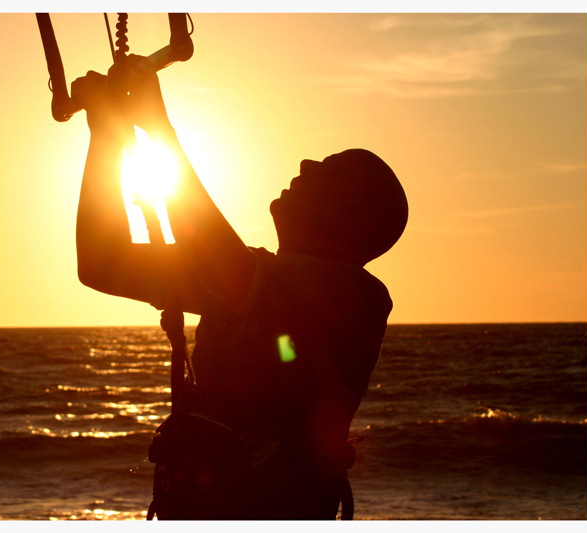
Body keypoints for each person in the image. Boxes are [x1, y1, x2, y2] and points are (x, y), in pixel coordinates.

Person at [72, 64, 408, 519]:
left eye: (332, 172)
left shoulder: (357, 296)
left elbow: (223, 264)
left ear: (359, 222)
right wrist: (105, 132)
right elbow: (102, 265)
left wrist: (157, 126)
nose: (308, 164)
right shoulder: (242, 280)